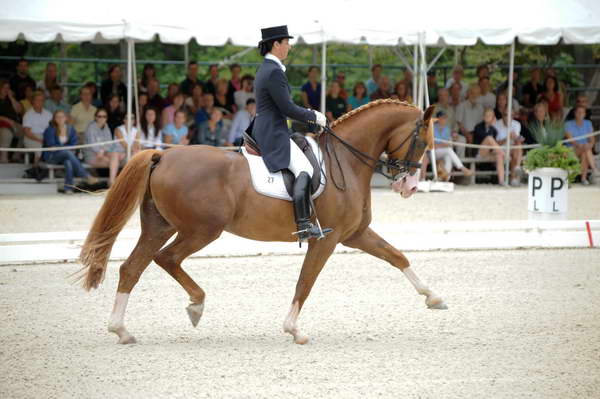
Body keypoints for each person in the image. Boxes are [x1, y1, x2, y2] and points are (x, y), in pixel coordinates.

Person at [253, 25, 330, 242]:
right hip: (272, 131)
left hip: (272, 127)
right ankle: (304, 225)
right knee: (304, 168)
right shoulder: (273, 71)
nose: (289, 46)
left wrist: (308, 121)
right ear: (276, 44)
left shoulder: (268, 68)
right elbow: (287, 108)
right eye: (286, 42)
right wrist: (314, 116)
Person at [43, 110, 97, 193]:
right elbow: (51, 145)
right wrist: (66, 148)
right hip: (52, 156)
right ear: (54, 119)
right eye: (58, 117)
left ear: (66, 118)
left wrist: (64, 148)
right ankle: (85, 175)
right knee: (67, 153)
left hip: (66, 155)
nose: (60, 119)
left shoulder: (70, 129)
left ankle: (68, 188)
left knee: (68, 162)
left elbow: (74, 144)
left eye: (62, 116)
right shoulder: (50, 129)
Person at [420, 111, 473, 182]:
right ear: (438, 119)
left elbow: (448, 144)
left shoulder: (447, 129)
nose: (444, 120)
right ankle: (462, 168)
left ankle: (445, 178)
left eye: (445, 118)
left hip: (441, 152)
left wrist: (440, 145)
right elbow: (431, 144)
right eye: (443, 118)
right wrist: (442, 145)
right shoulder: (432, 128)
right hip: (431, 152)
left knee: (448, 156)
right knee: (448, 150)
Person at [84, 108, 125, 186]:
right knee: (114, 162)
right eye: (99, 116)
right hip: (92, 155)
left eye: (104, 116)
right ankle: (113, 181)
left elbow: (109, 144)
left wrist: (103, 150)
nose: (102, 118)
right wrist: (101, 151)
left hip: (104, 153)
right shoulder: (91, 128)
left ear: (106, 118)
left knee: (115, 155)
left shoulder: (106, 127)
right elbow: (92, 145)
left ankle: (112, 181)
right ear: (95, 117)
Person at [565, 106, 598, 185]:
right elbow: (570, 139)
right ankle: (594, 170)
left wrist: (589, 145)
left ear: (585, 114)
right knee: (586, 150)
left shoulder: (588, 123)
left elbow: (592, 139)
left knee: (585, 153)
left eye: (582, 112)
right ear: (575, 113)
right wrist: (580, 145)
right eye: (578, 112)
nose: (580, 114)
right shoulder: (568, 124)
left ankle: (583, 178)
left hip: (584, 148)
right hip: (571, 149)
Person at [473, 108, 505, 184]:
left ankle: (501, 181)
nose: (488, 117)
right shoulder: (478, 127)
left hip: (488, 153)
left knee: (499, 156)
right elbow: (486, 137)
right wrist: (491, 127)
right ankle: (504, 154)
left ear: (493, 117)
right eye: (486, 115)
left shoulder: (494, 130)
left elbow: (493, 145)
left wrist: (496, 152)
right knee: (489, 138)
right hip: (479, 153)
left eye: (490, 116)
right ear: (483, 117)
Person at [494, 110, 524, 186]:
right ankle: (510, 179)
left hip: (512, 148)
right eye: (505, 115)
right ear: (502, 115)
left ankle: (517, 168)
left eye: (510, 115)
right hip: (501, 149)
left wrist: (517, 138)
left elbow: (517, 140)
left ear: (513, 116)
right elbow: (496, 143)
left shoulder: (517, 124)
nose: (507, 117)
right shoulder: (496, 124)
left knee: (518, 145)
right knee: (512, 155)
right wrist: (507, 138)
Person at [22, 91, 52, 163]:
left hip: (46, 136)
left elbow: (52, 128)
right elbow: (27, 132)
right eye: (37, 100)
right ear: (33, 101)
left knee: (55, 145)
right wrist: (39, 139)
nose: (40, 102)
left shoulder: (48, 114)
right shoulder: (28, 114)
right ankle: (36, 169)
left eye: (42, 100)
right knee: (39, 147)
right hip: (32, 137)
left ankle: (53, 167)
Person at [0, 79, 23, 163]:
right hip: (2, 124)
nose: (6, 90)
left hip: (14, 123)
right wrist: (7, 120)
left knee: (25, 132)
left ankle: (16, 156)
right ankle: (3, 158)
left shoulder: (9, 99)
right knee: (6, 133)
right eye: (4, 88)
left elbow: (19, 110)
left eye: (8, 88)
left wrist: (11, 97)